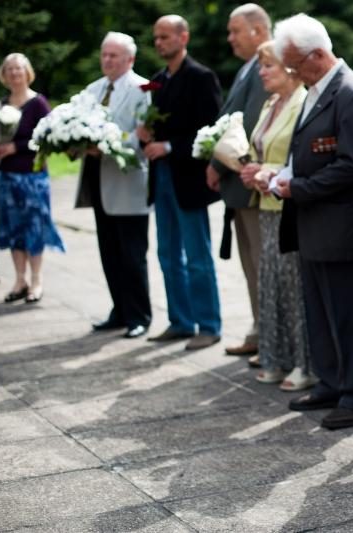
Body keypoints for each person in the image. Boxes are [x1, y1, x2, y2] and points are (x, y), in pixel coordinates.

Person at [273, 13, 353, 430]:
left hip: (343, 228)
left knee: (349, 316)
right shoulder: (315, 90)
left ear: (318, 55)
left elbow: (351, 165)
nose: (292, 74)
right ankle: (331, 382)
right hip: (314, 224)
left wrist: (297, 187)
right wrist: (287, 177)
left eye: (295, 65)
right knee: (319, 311)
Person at [138, 15, 223, 350]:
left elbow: (211, 130)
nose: (159, 42)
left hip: (188, 178)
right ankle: (181, 321)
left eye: (165, 37)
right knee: (167, 254)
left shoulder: (202, 77)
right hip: (160, 177)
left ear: (183, 37)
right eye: (155, 38)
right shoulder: (157, 81)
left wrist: (170, 146)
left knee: (197, 256)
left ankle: (209, 325)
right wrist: (145, 134)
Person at [237, 41, 313, 390]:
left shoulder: (301, 102)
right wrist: (252, 170)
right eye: (262, 67)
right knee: (270, 285)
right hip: (266, 207)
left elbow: (300, 158)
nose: (262, 73)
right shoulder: (270, 103)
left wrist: (265, 172)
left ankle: (304, 364)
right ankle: (276, 356)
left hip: (290, 206)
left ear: (290, 69)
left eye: (269, 66)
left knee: (293, 287)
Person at [76, 32, 152, 339]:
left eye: (114, 55)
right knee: (108, 251)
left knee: (132, 254)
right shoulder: (93, 89)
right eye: (104, 54)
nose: (107, 60)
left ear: (130, 59)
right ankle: (119, 310)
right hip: (97, 179)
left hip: (128, 181)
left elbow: (143, 132)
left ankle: (139, 315)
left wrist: (111, 147)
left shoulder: (142, 88)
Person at [206, 3, 271, 358]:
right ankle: (259, 330)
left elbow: (247, 122)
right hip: (240, 185)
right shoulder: (248, 67)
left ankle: (268, 336)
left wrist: (218, 159)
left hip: (252, 183)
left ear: (258, 31)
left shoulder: (266, 63)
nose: (229, 38)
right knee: (251, 265)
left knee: (261, 266)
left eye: (235, 31)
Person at [0, 53, 64, 304]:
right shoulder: (2, 104)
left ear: (27, 72)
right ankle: (19, 279)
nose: (14, 73)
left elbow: (49, 138)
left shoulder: (38, 104)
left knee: (34, 228)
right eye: (9, 69)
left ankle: (36, 280)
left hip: (32, 176)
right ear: (4, 74)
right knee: (14, 229)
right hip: (6, 177)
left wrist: (17, 147)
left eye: (18, 69)